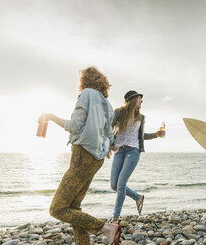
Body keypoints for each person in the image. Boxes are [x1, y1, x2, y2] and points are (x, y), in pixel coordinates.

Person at [39, 66, 121, 245]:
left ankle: (107, 227)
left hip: (82, 156)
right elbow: (109, 135)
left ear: (85, 81)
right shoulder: (107, 104)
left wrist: (51, 117)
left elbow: (75, 126)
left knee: (57, 208)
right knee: (74, 207)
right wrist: (110, 146)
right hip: (96, 160)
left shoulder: (86, 94)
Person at [110, 90, 165, 222]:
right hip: (119, 150)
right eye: (140, 98)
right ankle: (137, 197)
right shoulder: (118, 112)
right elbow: (108, 130)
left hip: (133, 151)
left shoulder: (141, 118)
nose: (141, 101)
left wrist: (156, 135)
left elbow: (140, 137)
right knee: (114, 185)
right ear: (132, 99)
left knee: (121, 185)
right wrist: (110, 145)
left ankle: (115, 218)